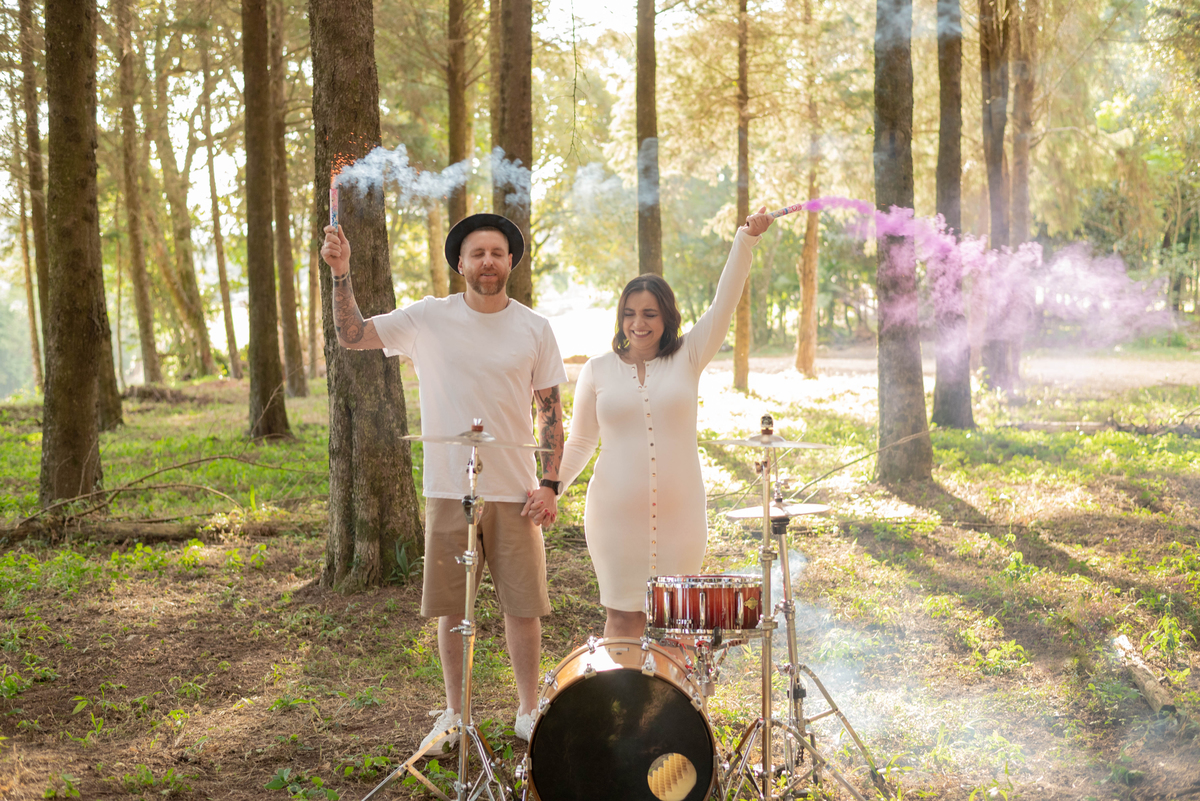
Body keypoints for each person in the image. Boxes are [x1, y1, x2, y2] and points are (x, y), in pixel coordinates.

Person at [320, 213, 566, 752]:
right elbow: (352, 334)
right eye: (477, 253)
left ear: (510, 262)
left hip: (516, 490)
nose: (487, 262)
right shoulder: (427, 318)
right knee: (452, 607)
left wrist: (550, 482)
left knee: (522, 607)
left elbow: (550, 412)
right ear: (461, 262)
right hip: (448, 489)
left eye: (497, 253)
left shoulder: (534, 327)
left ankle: (529, 710)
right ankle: (456, 713)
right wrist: (342, 272)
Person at [541, 207, 774, 638]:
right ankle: (624, 705)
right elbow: (579, 443)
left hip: (681, 516)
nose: (638, 323)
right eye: (629, 313)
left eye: (649, 313)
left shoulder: (689, 355)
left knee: (680, 621)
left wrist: (745, 239)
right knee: (621, 619)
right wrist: (550, 487)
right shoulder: (597, 370)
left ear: (666, 316)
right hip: (613, 517)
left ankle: (677, 708)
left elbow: (726, 300)